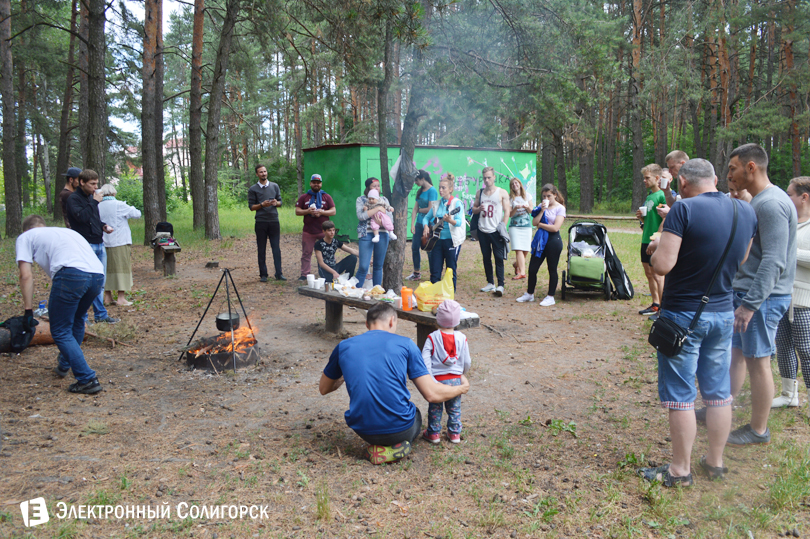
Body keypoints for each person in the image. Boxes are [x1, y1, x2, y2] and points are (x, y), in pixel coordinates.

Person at [639, 158, 757, 487]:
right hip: (723, 312)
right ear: (716, 179)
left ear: (683, 185)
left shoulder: (683, 209)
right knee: (719, 394)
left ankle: (680, 470)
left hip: (683, 316)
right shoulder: (745, 211)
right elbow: (742, 259)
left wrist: (656, 245)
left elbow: (662, 266)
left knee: (681, 396)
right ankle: (715, 463)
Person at [319, 303, 470, 464]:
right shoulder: (406, 344)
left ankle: (379, 448)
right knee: (416, 414)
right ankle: (394, 448)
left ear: (366, 324)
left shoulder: (344, 346)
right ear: (392, 321)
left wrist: (345, 372)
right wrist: (461, 388)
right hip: (400, 429)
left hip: (363, 430)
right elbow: (432, 394)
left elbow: (323, 388)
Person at [725, 143, 797, 447]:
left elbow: (774, 261)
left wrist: (750, 305)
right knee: (739, 355)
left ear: (750, 167)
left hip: (762, 298)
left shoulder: (771, 204)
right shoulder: (760, 200)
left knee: (758, 361)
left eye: (732, 169)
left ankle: (758, 429)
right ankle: (722, 408)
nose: (729, 174)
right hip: (751, 295)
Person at [16, 215, 108, 394]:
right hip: (97, 275)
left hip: (71, 275)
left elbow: (25, 275)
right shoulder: (65, 232)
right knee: (77, 319)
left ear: (27, 230)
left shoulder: (25, 237)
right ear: (43, 225)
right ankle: (65, 363)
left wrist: (28, 310)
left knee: (59, 330)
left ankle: (87, 379)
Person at [771, 176, 810, 410]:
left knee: (806, 350)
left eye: (789, 194)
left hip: (804, 300)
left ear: (804, 197)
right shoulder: (788, 221)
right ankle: (789, 394)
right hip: (781, 295)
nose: (785, 198)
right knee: (783, 346)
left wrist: (787, 251)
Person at [66, 169, 119, 324]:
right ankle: (81, 318)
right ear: (82, 182)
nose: (96, 187)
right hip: (84, 245)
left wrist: (103, 226)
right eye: (92, 184)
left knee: (99, 282)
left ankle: (101, 315)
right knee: (85, 283)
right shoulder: (73, 199)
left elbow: (93, 218)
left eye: (96, 183)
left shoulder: (91, 198)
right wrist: (94, 202)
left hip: (98, 242)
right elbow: (81, 218)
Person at [421, 300, 471, 444]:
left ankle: (433, 434)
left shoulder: (432, 337)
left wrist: (429, 378)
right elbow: (467, 361)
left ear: (438, 319)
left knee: (435, 408)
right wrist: (462, 373)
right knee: (454, 407)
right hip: (455, 379)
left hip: (437, 380)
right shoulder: (462, 338)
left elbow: (425, 361)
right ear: (457, 320)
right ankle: (455, 433)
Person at [516, 184, 566, 306]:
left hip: (553, 241)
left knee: (552, 269)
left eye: (549, 196)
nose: (546, 198)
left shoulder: (560, 208)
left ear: (555, 195)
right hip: (540, 241)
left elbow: (555, 228)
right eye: (544, 196)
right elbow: (534, 222)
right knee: (532, 268)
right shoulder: (541, 206)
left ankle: (550, 296)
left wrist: (541, 225)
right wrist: (542, 210)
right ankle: (529, 294)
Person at [97, 184, 141, 306]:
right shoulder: (120, 205)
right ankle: (121, 297)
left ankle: (108, 296)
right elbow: (137, 214)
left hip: (103, 241)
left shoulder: (98, 206)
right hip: (120, 241)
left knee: (106, 269)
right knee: (122, 269)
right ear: (113, 193)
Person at [472, 166, 510, 297]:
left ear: (494, 177)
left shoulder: (502, 192)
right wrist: (478, 209)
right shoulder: (480, 192)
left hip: (495, 230)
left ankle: (500, 285)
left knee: (499, 258)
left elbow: (507, 211)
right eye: (484, 178)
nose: (487, 180)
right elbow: (474, 209)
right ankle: (490, 283)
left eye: (489, 177)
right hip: (483, 229)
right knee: (486, 257)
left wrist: (503, 226)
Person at [423, 175, 464, 291]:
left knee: (450, 269)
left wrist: (450, 220)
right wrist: (426, 226)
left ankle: (450, 295)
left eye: (443, 188)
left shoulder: (456, 204)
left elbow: (459, 222)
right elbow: (426, 217)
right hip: (437, 240)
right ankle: (435, 293)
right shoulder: (436, 204)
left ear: (450, 189)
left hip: (451, 241)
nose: (440, 190)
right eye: (440, 187)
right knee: (435, 269)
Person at [636, 164, 667, 317]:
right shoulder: (649, 197)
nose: (644, 180)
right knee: (649, 273)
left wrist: (658, 236)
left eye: (647, 178)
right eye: (644, 178)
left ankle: (663, 307)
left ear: (657, 178)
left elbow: (666, 217)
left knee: (657, 274)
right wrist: (641, 217)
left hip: (656, 240)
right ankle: (655, 304)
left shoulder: (662, 195)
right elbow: (650, 218)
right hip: (645, 238)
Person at [295, 173, 336, 281]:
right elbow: (297, 211)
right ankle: (305, 274)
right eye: (314, 183)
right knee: (306, 253)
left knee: (326, 252)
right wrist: (307, 211)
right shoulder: (304, 197)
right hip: (308, 230)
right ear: (310, 183)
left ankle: (326, 272)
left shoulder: (326, 196)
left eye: (318, 183)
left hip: (324, 231)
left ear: (321, 184)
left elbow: (333, 211)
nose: (316, 185)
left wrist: (322, 212)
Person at [248, 164, 284, 282]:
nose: (263, 173)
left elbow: (280, 202)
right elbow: (251, 207)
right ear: (257, 174)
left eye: (265, 171)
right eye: (261, 172)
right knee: (261, 249)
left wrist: (275, 203)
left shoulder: (275, 186)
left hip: (274, 220)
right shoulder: (253, 189)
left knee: (276, 248)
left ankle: (279, 273)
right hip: (261, 222)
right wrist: (262, 205)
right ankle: (263, 275)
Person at [356, 178, 393, 286]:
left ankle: (376, 292)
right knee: (363, 266)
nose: (377, 188)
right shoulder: (361, 200)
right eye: (374, 186)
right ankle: (356, 292)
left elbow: (390, 218)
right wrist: (377, 209)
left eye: (378, 185)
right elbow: (361, 216)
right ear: (368, 188)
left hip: (382, 233)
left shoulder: (384, 199)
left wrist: (381, 222)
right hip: (366, 233)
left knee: (378, 266)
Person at [407, 170, 438, 281]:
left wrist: (420, 210)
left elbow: (430, 209)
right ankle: (416, 272)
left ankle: (433, 274)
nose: (415, 182)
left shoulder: (432, 191)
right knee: (415, 247)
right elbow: (415, 208)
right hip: (419, 223)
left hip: (429, 224)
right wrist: (412, 224)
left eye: (416, 180)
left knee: (429, 248)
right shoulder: (420, 191)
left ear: (422, 179)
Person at [508, 177, 533, 280]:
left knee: (526, 249)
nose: (515, 185)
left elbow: (531, 211)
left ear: (520, 184)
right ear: (511, 187)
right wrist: (516, 208)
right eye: (512, 184)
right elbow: (509, 214)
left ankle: (516, 264)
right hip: (515, 226)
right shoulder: (510, 198)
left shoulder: (527, 196)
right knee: (518, 248)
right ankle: (522, 272)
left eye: (516, 183)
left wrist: (526, 207)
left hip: (526, 225)